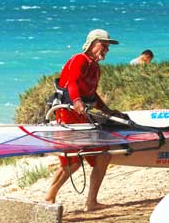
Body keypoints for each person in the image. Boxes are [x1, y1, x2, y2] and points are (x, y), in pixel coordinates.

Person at [45, 29, 124, 211]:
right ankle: (49, 198)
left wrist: (107, 110)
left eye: (107, 47)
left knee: (103, 156)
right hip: (67, 114)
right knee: (72, 162)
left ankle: (91, 202)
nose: (106, 50)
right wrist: (78, 101)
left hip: (83, 115)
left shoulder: (96, 67)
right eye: (103, 45)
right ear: (92, 44)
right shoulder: (79, 59)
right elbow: (72, 82)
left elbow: (92, 94)